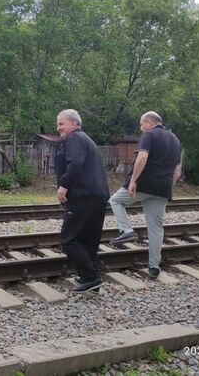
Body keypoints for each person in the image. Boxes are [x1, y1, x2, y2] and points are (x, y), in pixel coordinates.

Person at [109, 111, 181, 279]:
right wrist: (168, 186)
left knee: (115, 201)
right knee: (156, 228)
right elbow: (177, 169)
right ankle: (154, 267)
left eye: (142, 125)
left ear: (149, 122)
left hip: (144, 183)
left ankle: (126, 230)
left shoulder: (149, 135)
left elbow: (142, 157)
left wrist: (133, 180)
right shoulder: (175, 140)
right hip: (163, 188)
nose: (141, 128)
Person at [53, 109, 109, 293]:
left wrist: (64, 185)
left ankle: (90, 277)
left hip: (83, 196)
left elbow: (75, 163)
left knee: (68, 240)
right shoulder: (86, 140)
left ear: (74, 124)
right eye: (58, 124)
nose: (58, 127)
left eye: (61, 123)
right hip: (97, 196)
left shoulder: (75, 138)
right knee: (89, 241)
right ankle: (92, 280)